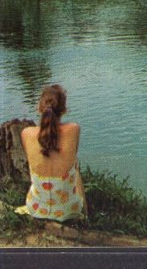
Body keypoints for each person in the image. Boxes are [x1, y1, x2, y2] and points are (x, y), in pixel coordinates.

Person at [18, 84, 87, 222]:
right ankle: (86, 213)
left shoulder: (26, 133)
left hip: (36, 209)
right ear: (64, 110)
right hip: (69, 211)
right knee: (75, 167)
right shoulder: (74, 130)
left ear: (39, 107)